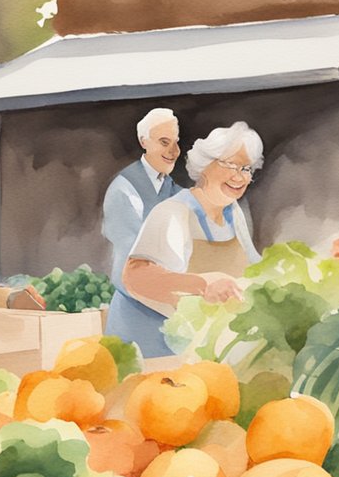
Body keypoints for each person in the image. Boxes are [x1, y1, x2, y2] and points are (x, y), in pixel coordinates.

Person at [105, 121, 264, 357]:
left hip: (200, 348)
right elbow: (136, 276)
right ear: (206, 165)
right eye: (232, 165)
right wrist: (203, 284)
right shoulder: (174, 212)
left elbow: (253, 268)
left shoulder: (233, 213)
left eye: (246, 169)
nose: (239, 177)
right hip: (152, 348)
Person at [101, 108, 182, 293]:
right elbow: (132, 257)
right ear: (143, 142)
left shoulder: (170, 187)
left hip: (164, 290)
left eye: (176, 142)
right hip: (133, 296)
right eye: (164, 142)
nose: (174, 151)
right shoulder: (123, 189)